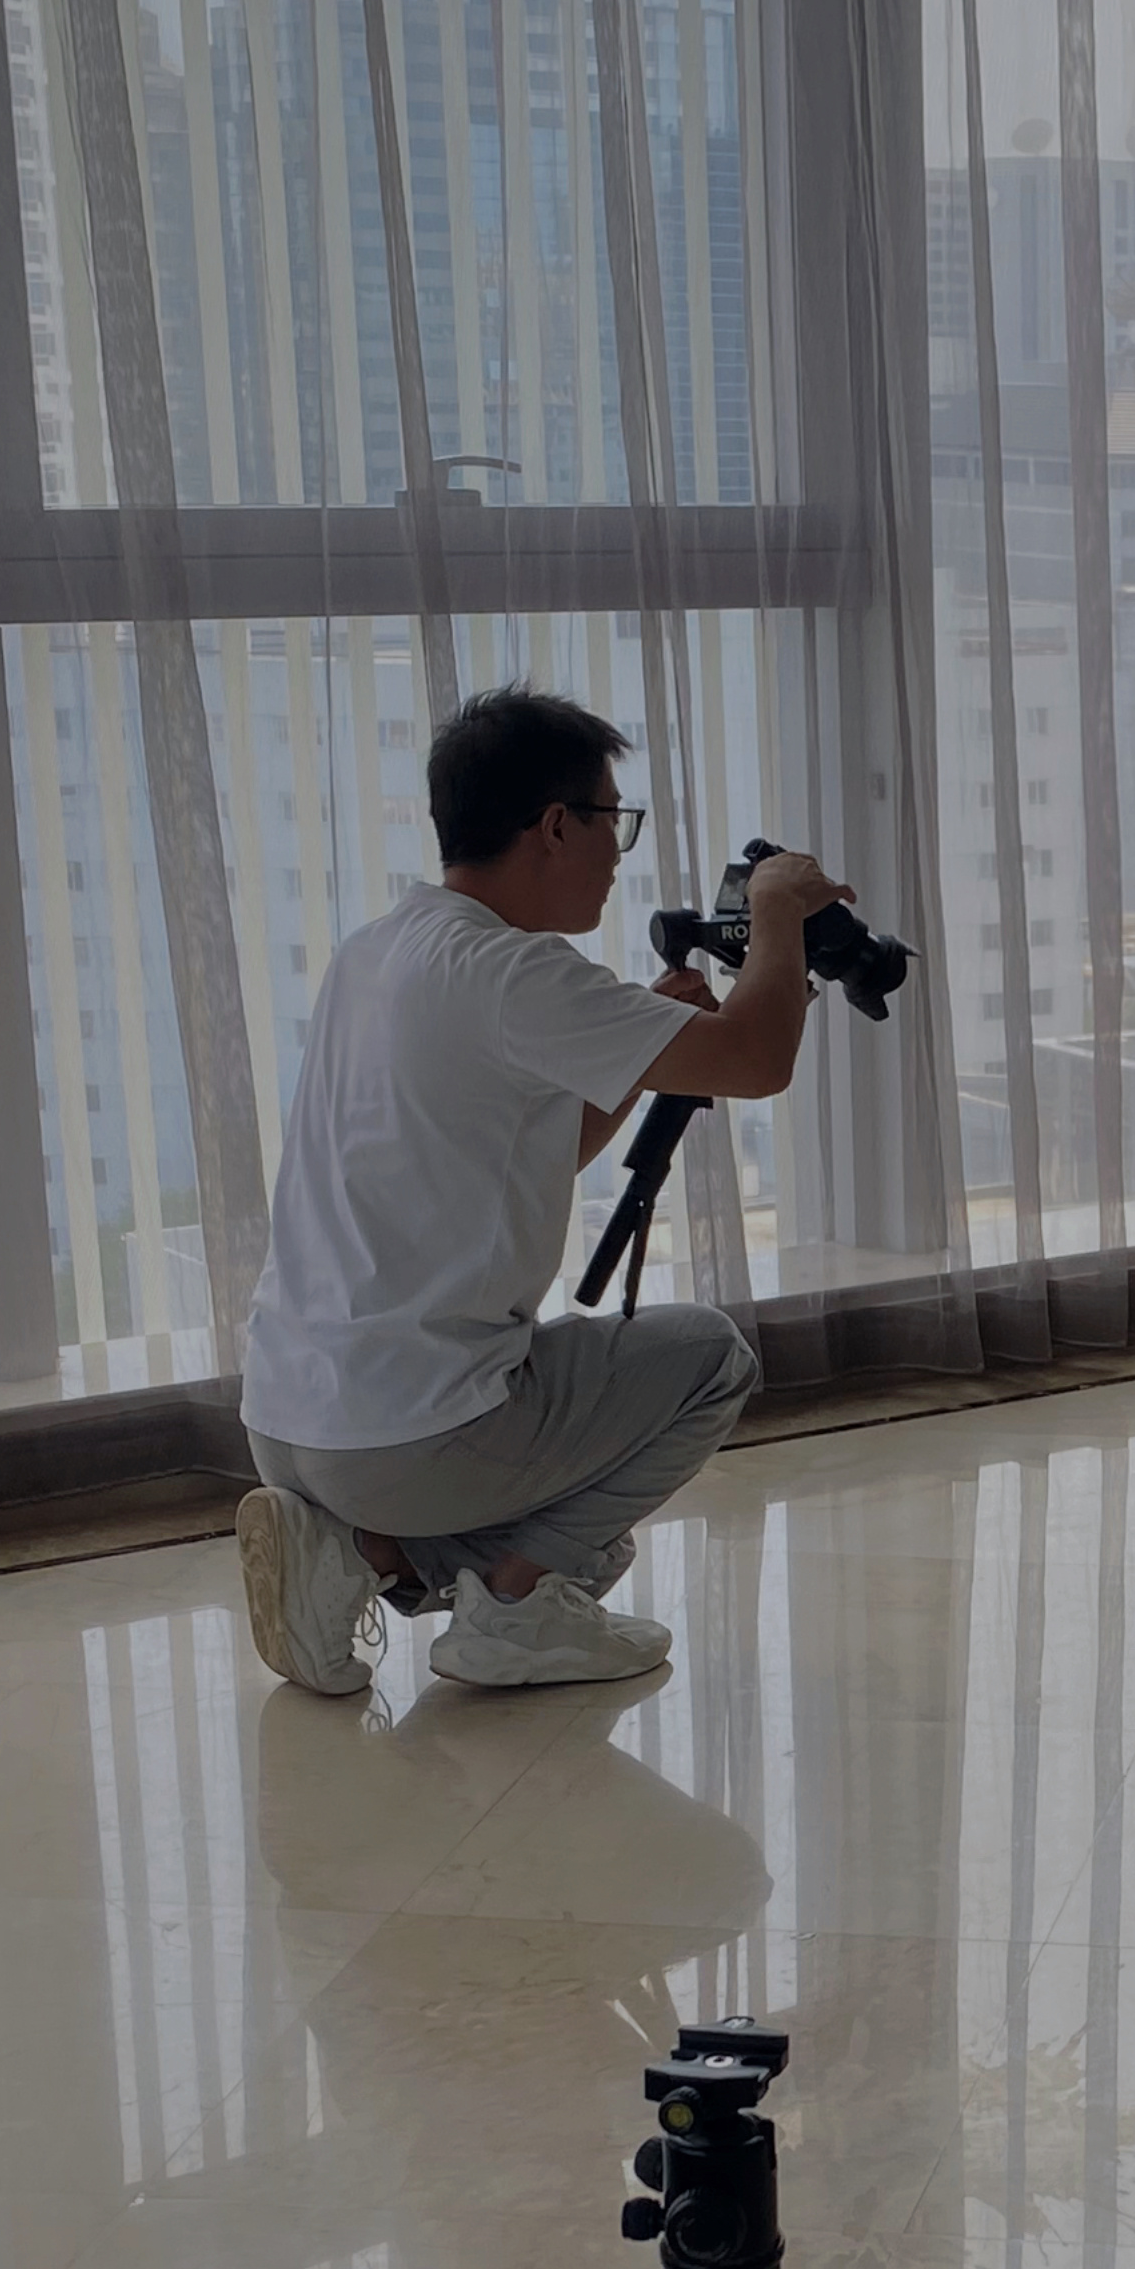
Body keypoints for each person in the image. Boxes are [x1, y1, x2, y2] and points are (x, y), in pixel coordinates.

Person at [233, 685, 850, 1694]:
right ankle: (514, 1609)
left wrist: (633, 1051)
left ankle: (358, 1555)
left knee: (558, 1436)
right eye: (612, 820)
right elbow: (757, 1057)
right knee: (710, 1360)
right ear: (557, 826)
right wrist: (778, 909)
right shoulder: (513, 972)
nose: (617, 852)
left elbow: (520, 1152)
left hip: (287, 1417)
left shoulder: (374, 952)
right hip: (408, 1437)